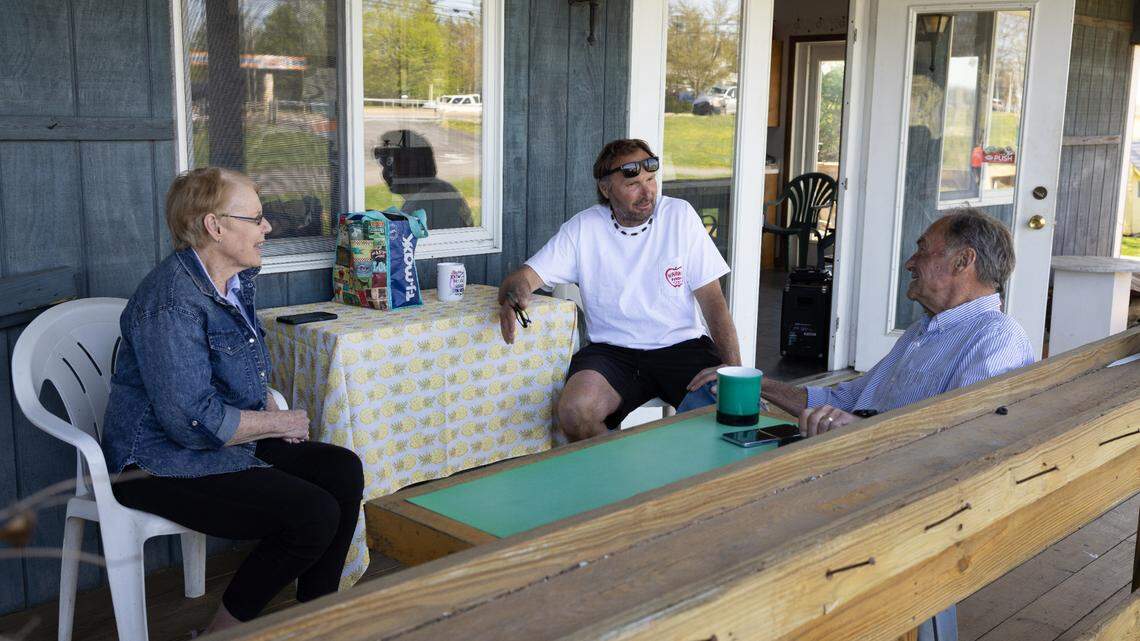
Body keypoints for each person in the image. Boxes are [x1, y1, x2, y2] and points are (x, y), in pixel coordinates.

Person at [101, 168, 364, 633]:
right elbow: (189, 421)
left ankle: (316, 617)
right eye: (257, 218)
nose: (267, 229)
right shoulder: (171, 302)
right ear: (214, 226)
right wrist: (276, 424)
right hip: (157, 462)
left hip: (218, 443)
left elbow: (235, 374)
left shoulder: (235, 281)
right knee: (312, 513)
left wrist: (267, 404)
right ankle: (221, 632)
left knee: (342, 469)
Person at [762, 207, 1035, 641]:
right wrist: (762, 385)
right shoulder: (925, 331)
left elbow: (962, 446)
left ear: (964, 262)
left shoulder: (995, 338)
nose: (911, 262)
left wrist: (861, 433)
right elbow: (846, 399)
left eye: (922, 250)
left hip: (908, 501)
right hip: (865, 471)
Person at [496, 138, 742, 441]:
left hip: (681, 347)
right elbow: (523, 278)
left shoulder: (679, 215)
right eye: (633, 184)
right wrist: (514, 296)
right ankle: (616, 478)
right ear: (606, 189)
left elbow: (713, 301)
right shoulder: (584, 228)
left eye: (651, 180)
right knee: (575, 411)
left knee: (729, 408)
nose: (647, 192)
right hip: (612, 353)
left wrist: (733, 368)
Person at [373, 129, 474, 230]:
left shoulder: (419, 207)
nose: (386, 173)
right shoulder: (443, 189)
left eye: (389, 164)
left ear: (410, 166)